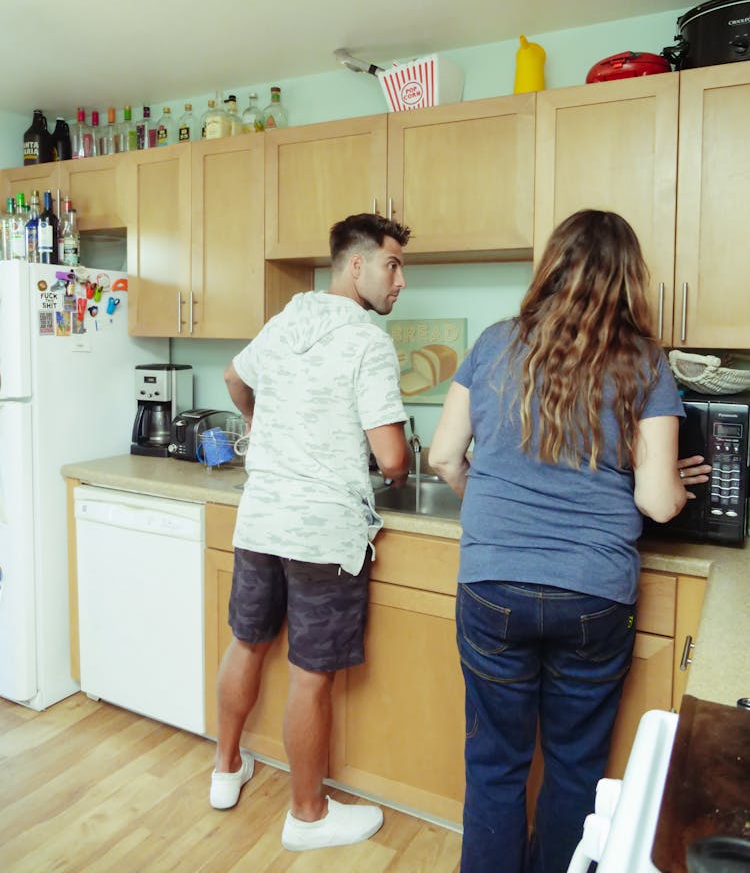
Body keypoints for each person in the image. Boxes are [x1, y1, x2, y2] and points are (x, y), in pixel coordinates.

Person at [428, 210, 711, 873]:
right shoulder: (643, 361)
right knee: (574, 766)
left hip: (492, 587)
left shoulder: (495, 343)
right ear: (629, 282)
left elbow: (444, 456)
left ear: (550, 267)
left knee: (495, 765)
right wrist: (674, 480)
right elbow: (655, 502)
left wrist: (495, 515)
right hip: (593, 595)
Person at [210, 212, 412, 853]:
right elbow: (394, 460)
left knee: (247, 643)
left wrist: (263, 422)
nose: (400, 281)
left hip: (262, 514)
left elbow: (233, 378)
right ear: (357, 265)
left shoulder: (286, 318)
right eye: (393, 264)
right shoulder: (368, 343)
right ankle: (308, 814)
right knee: (309, 675)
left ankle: (225, 769)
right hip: (324, 532)